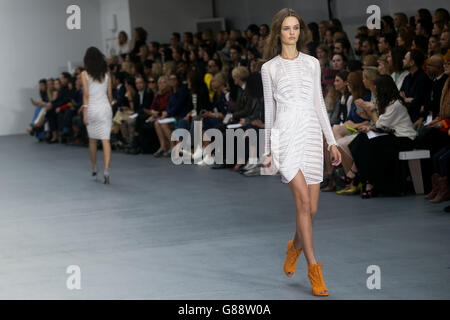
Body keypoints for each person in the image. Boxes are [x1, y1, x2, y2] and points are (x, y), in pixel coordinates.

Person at [261, 8, 342, 297]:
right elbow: (270, 111)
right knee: (304, 205)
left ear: (300, 31)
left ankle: (293, 246)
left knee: (313, 209)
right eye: (286, 28)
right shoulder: (268, 68)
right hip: (285, 138)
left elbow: (319, 104)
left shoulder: (312, 64)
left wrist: (331, 141)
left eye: (295, 27)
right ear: (278, 32)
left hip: (310, 136)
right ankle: (314, 269)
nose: (292, 32)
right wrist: (268, 149)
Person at [81, 47, 114, 184]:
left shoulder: (84, 74)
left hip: (92, 108)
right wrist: (110, 108)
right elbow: (110, 95)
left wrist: (84, 112)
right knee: (106, 140)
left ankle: (94, 167)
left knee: (93, 140)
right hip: (105, 108)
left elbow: (86, 95)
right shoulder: (106, 72)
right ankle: (106, 170)